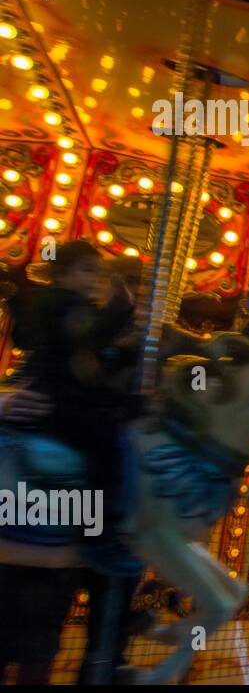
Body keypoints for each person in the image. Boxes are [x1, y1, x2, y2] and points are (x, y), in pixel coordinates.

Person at [7, 239, 138, 575]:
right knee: (103, 444)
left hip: (72, 391)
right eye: (87, 271)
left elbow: (98, 347)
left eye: (98, 271)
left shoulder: (73, 303)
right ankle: (97, 536)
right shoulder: (60, 302)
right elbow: (90, 334)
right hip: (59, 397)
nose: (95, 278)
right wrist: (120, 305)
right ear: (62, 274)